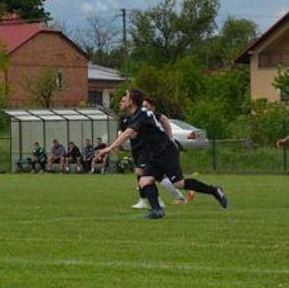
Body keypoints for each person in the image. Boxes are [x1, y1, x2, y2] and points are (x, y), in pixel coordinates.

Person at [95, 88, 228, 219]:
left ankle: (215, 190)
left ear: (132, 101)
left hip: (165, 152)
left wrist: (109, 148)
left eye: (126, 96)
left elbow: (129, 133)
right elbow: (136, 131)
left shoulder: (140, 115)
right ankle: (157, 210)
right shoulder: (137, 115)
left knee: (178, 184)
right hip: (154, 154)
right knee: (144, 181)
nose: (124, 98)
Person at [141, 99, 187, 205]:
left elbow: (165, 120)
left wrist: (169, 138)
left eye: (146, 106)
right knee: (157, 178)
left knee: (162, 178)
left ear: (153, 107)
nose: (144, 108)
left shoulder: (153, 116)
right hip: (153, 151)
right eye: (142, 106)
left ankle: (174, 198)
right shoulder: (144, 117)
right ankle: (160, 201)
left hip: (163, 151)